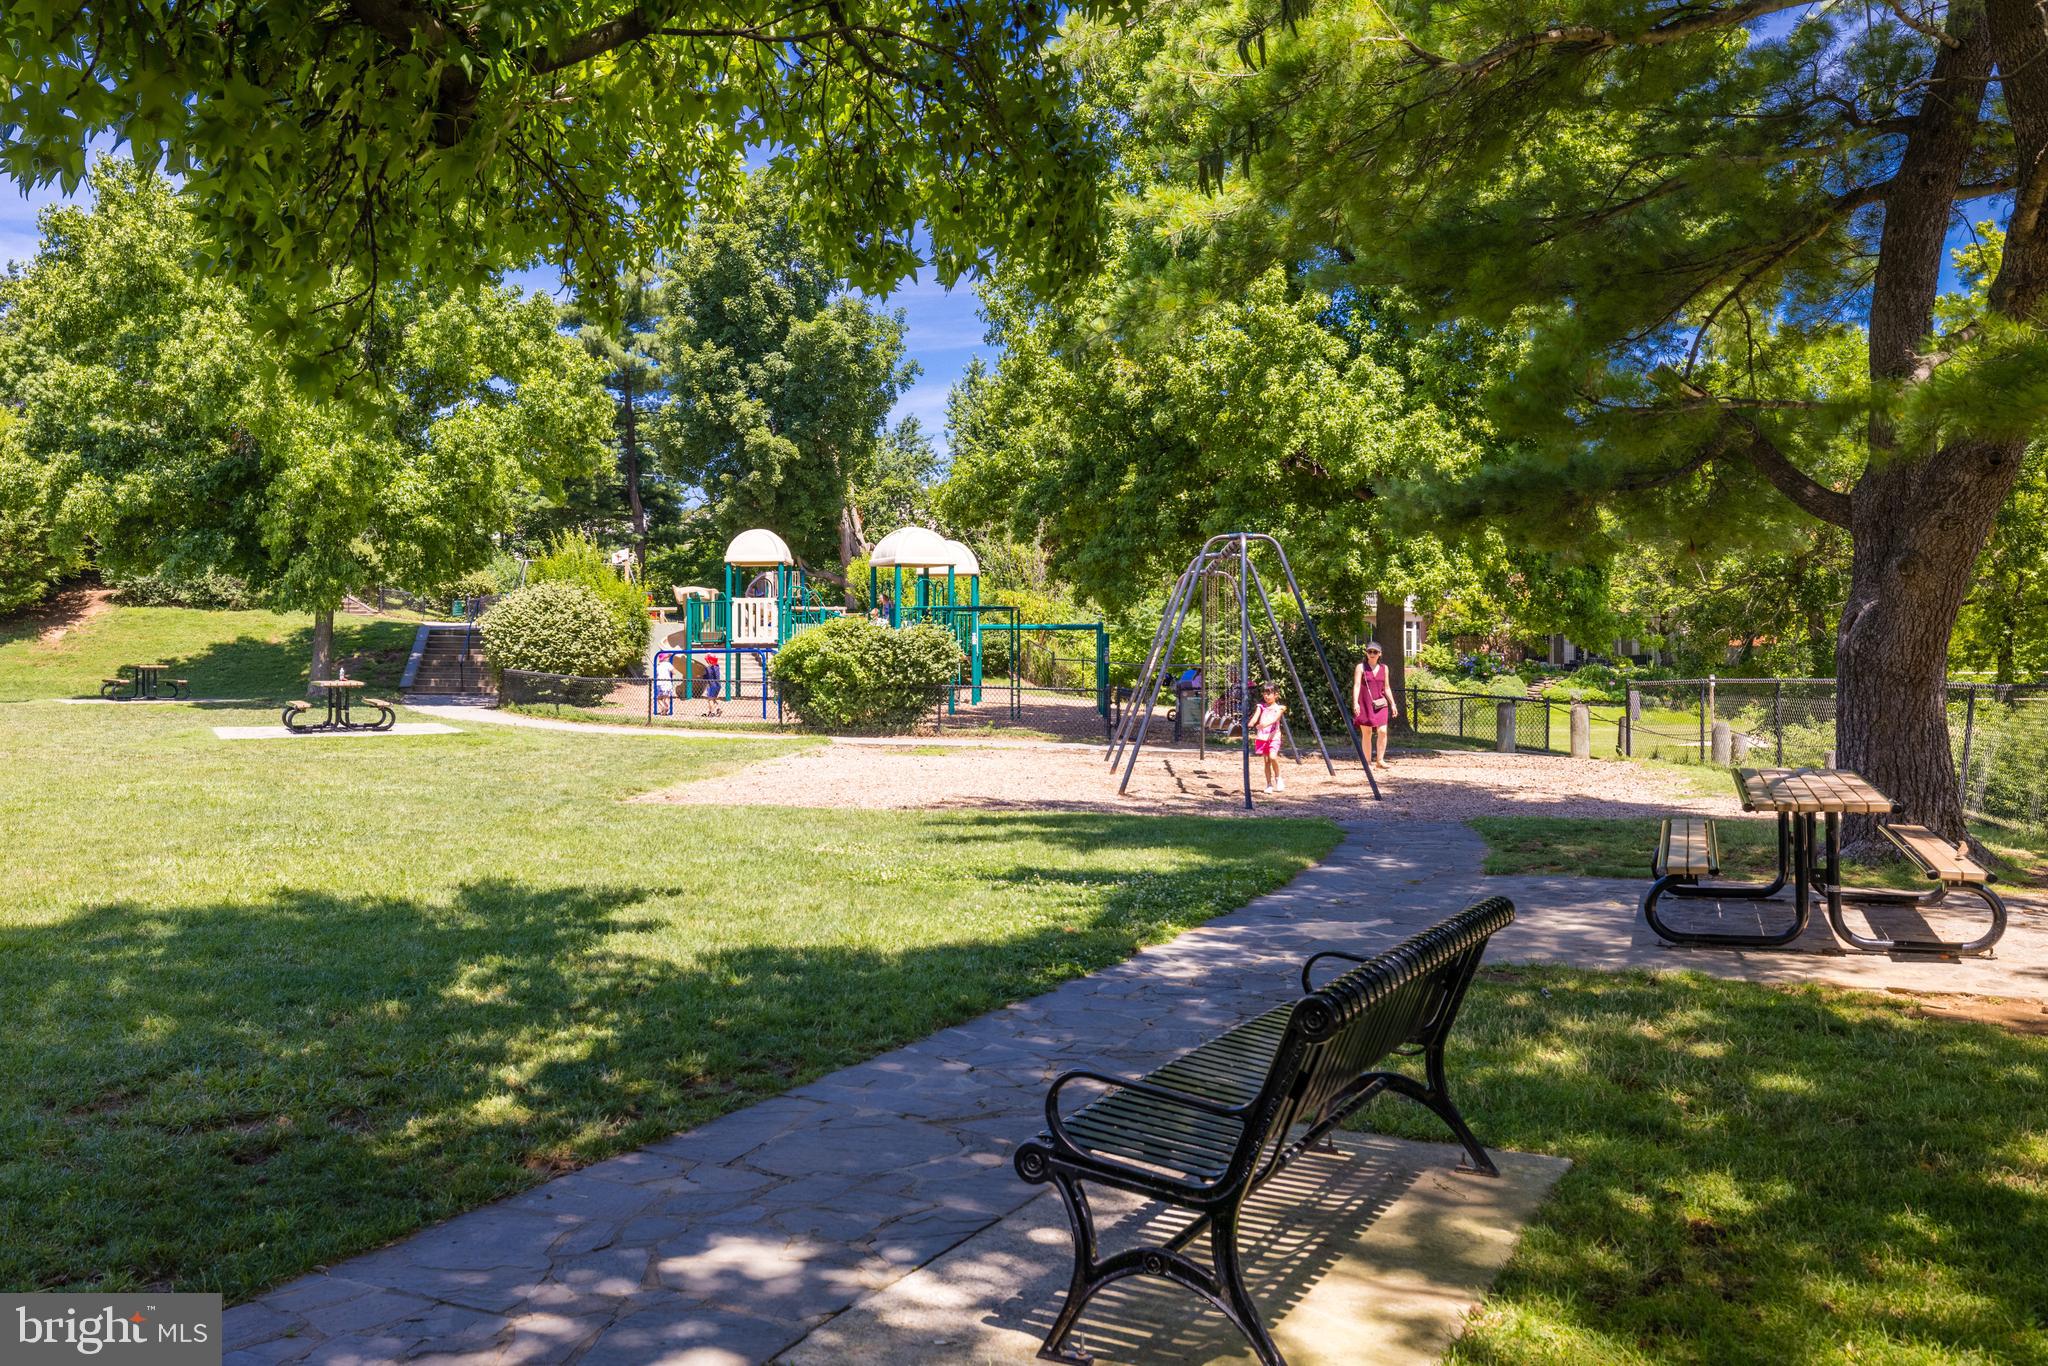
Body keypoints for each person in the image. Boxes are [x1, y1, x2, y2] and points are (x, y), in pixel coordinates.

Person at [1352, 641, 1397, 768]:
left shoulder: (1385, 668)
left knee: (1383, 731)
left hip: (1381, 703)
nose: (1372, 654)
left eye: (1375, 652)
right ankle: (1367, 762)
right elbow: (1356, 686)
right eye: (1370, 651)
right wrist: (1355, 702)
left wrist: (1393, 704)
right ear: (1366, 653)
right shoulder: (1360, 667)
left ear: (1380, 654)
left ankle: (1380, 760)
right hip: (1365, 703)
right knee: (1367, 733)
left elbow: (1387, 688)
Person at [1250, 682, 1287, 793]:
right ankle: (1269, 784)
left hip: (1274, 737)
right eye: (1264, 693)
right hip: (1262, 738)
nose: (1266, 696)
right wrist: (1250, 723)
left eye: (1269, 694)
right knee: (1266, 762)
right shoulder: (1260, 707)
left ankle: (1278, 778)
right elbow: (1255, 717)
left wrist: (1264, 725)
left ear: (1276, 695)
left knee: (1273, 757)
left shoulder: (1279, 708)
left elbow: (1275, 719)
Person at [702, 652, 723, 717]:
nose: (707, 661)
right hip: (718, 685)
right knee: (714, 699)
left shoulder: (708, 668)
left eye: (707, 660)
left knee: (710, 700)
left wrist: (703, 674)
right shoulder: (717, 667)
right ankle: (718, 708)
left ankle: (711, 712)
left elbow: (705, 677)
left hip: (712, 685)